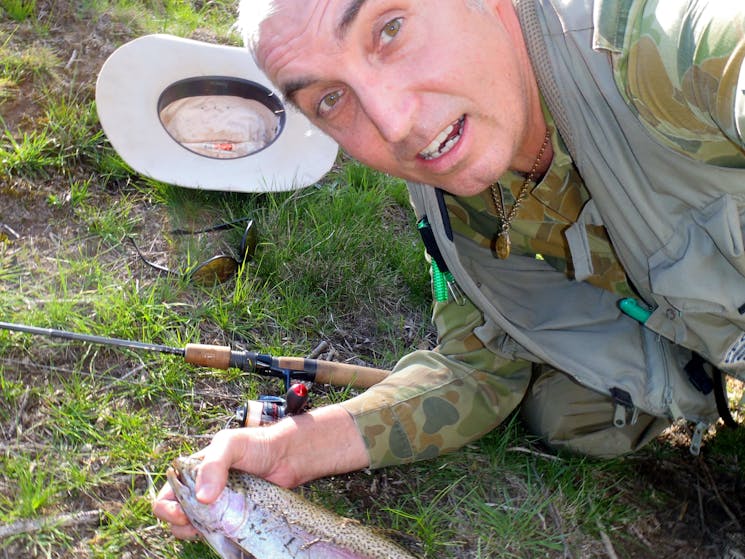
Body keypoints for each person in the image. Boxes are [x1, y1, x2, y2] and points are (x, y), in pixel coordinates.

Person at [153, 0, 745, 539]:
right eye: (330, 100)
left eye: (390, 29)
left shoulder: (654, 40)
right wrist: (290, 448)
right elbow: (478, 368)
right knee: (569, 412)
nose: (394, 123)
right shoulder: (442, 182)